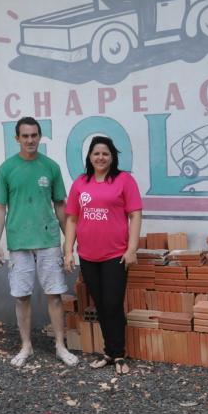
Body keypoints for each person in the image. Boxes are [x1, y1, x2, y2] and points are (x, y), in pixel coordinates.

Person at [0, 117, 79, 368]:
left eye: (34, 135)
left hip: (48, 239)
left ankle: (60, 346)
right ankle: (26, 346)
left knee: (54, 294)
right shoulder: (6, 169)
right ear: (17, 138)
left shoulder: (50, 167)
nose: (30, 140)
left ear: (40, 137)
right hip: (19, 241)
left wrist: (69, 244)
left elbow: (61, 205)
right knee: (21, 296)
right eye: (25, 136)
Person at [63, 136, 142, 374]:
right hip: (88, 255)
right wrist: (68, 251)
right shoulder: (80, 183)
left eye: (105, 154)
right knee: (100, 305)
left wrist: (132, 249)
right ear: (89, 157)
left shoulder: (124, 180)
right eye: (96, 153)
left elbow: (135, 215)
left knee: (113, 304)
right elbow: (72, 219)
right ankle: (108, 352)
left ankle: (118, 354)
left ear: (112, 157)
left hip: (115, 255)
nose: (100, 157)